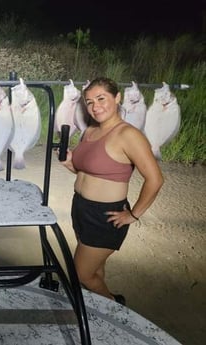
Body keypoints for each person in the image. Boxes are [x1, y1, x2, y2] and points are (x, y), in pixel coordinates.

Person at [60, 77, 164, 305]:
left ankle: (114, 306)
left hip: (105, 217)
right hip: (81, 208)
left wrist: (133, 214)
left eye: (101, 98)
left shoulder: (128, 135)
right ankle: (102, 308)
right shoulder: (89, 132)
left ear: (117, 98)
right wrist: (71, 164)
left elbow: (155, 179)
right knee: (95, 271)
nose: (95, 106)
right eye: (89, 102)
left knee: (81, 274)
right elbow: (87, 173)